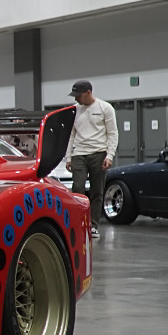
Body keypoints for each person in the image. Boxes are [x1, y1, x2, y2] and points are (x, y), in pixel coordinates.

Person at [65, 80, 118, 236]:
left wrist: (110, 155)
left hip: (99, 153)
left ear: (88, 93)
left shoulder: (105, 108)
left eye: (78, 95)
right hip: (79, 153)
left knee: (97, 191)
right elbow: (71, 135)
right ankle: (77, 223)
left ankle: (93, 225)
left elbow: (112, 133)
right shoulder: (75, 110)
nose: (76, 99)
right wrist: (69, 157)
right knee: (78, 188)